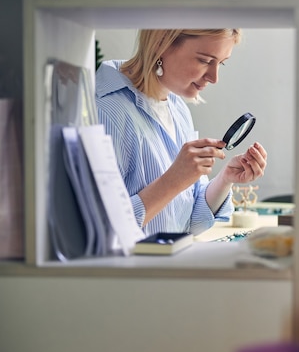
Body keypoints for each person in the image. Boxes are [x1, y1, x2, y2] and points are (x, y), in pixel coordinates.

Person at [95, 29, 267, 236]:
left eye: (220, 63)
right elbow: (102, 232)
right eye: (204, 60)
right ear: (161, 44)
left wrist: (225, 179)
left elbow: (189, 222)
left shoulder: (177, 107)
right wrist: (173, 180)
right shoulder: (104, 110)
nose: (214, 78)